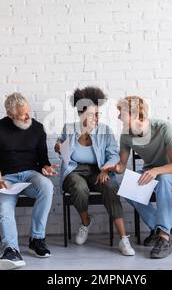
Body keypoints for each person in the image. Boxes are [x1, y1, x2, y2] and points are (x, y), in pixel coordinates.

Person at [55, 86, 135, 256]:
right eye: (92, 114)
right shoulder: (69, 129)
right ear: (82, 114)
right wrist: (58, 146)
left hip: (98, 170)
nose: (97, 118)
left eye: (98, 113)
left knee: (110, 187)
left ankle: (123, 238)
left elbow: (114, 155)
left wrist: (106, 170)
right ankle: (86, 222)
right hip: (75, 170)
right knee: (78, 187)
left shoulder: (105, 130)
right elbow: (61, 146)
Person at [103, 96, 172, 259]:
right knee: (127, 187)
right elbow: (121, 166)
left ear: (136, 115)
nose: (118, 117)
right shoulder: (126, 135)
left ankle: (163, 238)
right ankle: (160, 226)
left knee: (164, 180)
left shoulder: (164, 128)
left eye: (122, 113)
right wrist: (110, 168)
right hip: (150, 171)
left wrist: (156, 171)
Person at [0, 93, 57, 270]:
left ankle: (37, 239)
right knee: (4, 207)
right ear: (10, 115)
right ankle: (11, 249)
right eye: (22, 115)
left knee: (47, 186)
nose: (28, 117)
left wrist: (46, 168)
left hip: (30, 175)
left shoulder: (37, 128)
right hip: (6, 179)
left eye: (28, 112)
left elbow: (43, 159)